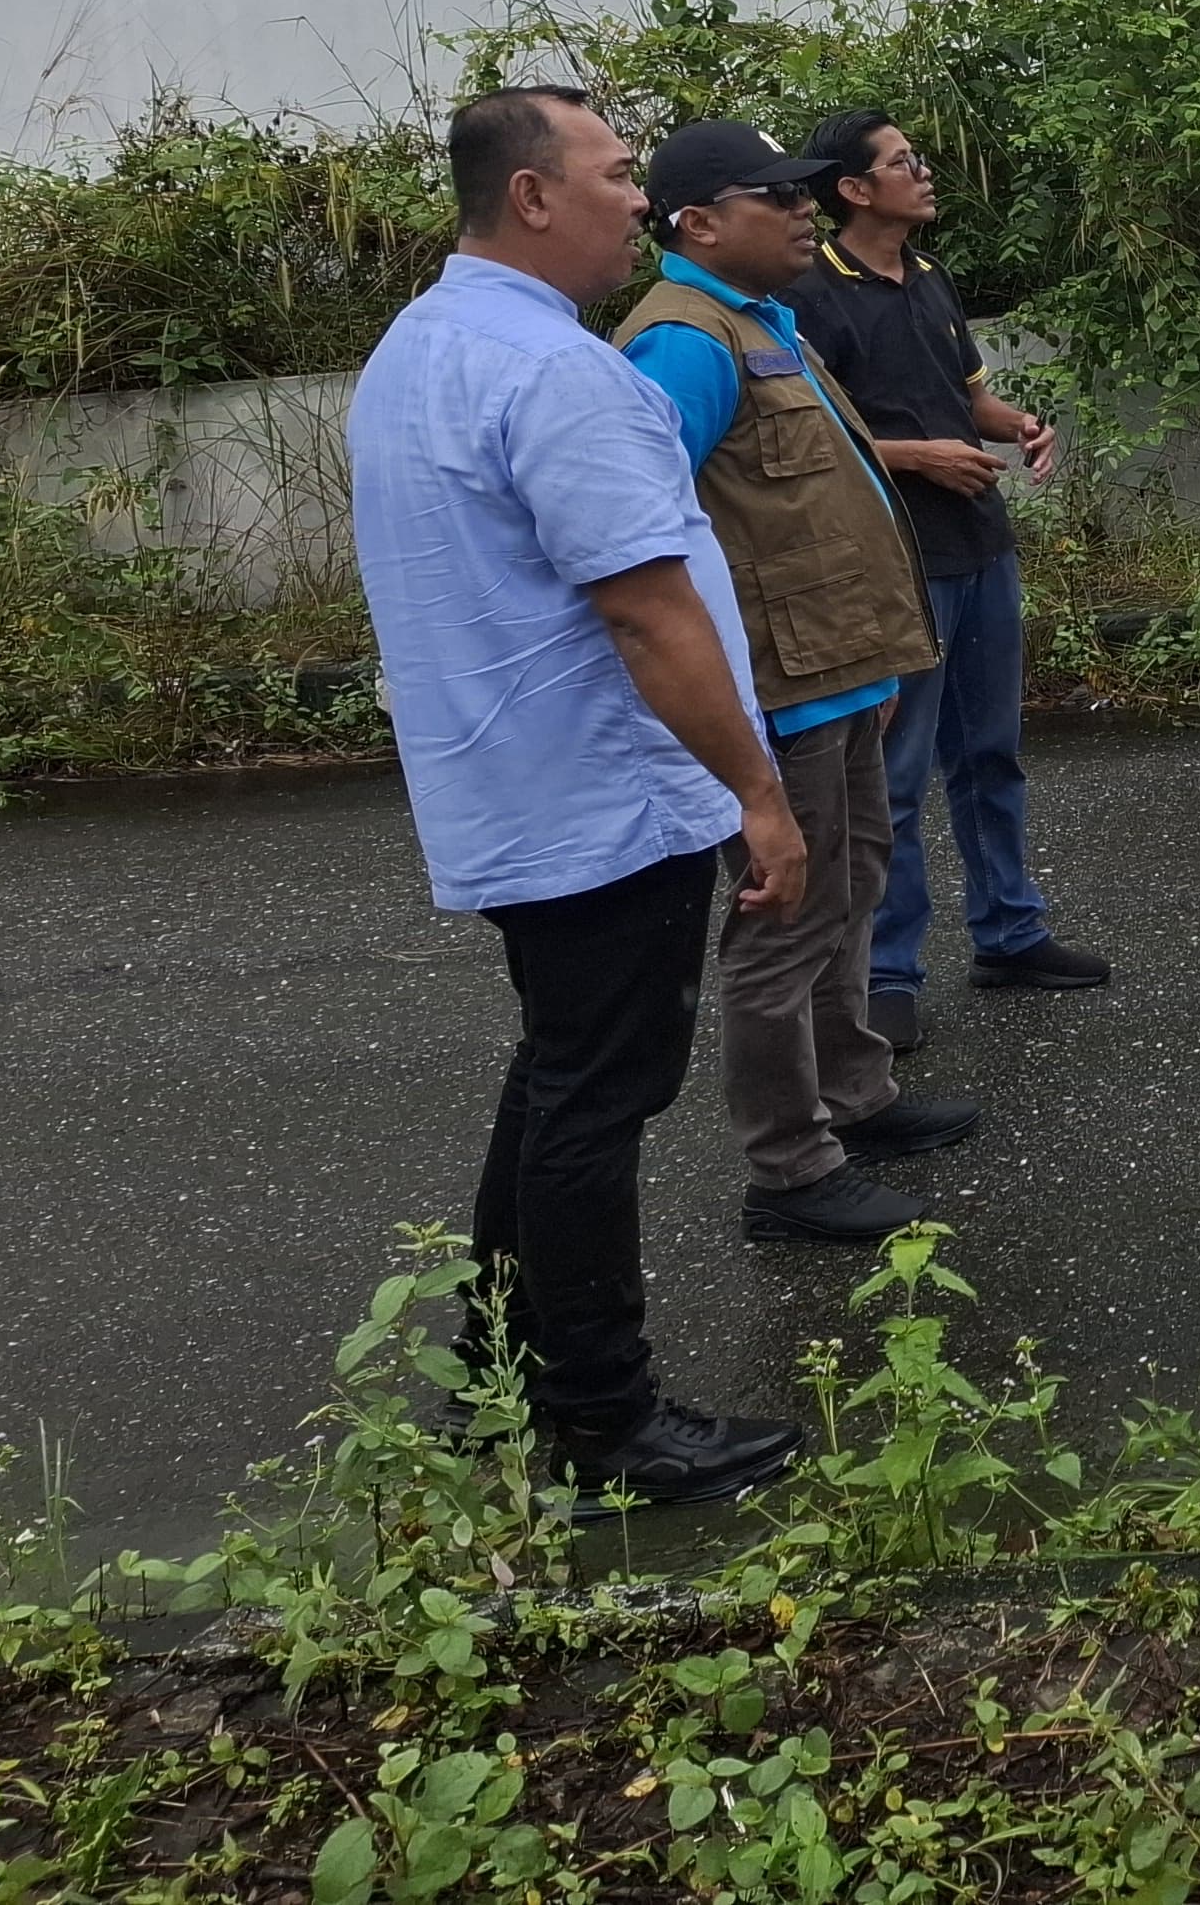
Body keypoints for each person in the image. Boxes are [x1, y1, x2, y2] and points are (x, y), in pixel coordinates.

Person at [344, 86, 804, 1504]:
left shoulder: (422, 349)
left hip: (515, 791)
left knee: (557, 1082)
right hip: (604, 803)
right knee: (595, 1105)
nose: (640, 203)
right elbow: (650, 614)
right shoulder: (558, 375)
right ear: (533, 197)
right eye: (615, 176)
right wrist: (757, 795)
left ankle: (492, 1378)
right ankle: (607, 1420)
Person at [618, 117, 981, 1243]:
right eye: (773, 197)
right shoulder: (682, 341)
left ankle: (854, 1093)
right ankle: (788, 1165)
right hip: (780, 686)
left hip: (845, 665)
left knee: (852, 886)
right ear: (700, 223)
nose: (802, 210)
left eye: (800, 194)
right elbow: (643, 532)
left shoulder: (759, 319)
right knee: (787, 922)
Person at [789, 110, 1108, 1045]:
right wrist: (920, 458)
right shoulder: (812, 294)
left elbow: (967, 396)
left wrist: (1016, 424)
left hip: (980, 545)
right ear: (853, 189)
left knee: (991, 754)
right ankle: (888, 974)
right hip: (895, 562)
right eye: (902, 163)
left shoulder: (931, 279)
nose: (924, 173)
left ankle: (1011, 932)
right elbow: (816, 440)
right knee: (893, 776)